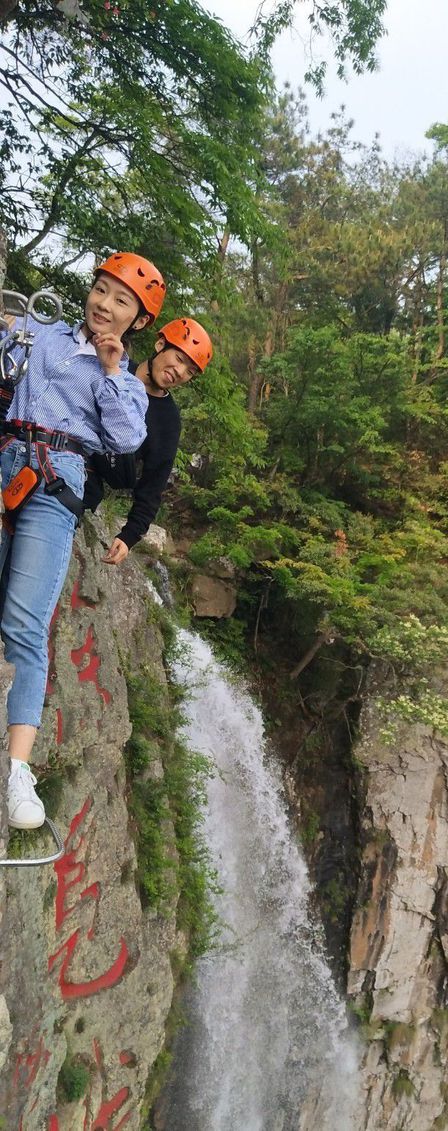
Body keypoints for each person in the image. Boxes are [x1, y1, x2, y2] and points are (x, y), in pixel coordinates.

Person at [2, 251, 166, 830]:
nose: (105, 304)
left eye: (122, 301)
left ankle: (16, 773)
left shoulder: (123, 382)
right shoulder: (41, 335)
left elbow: (125, 441)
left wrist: (115, 369)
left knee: (25, 624)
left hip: (53, 484)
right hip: (4, 461)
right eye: (102, 290)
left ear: (139, 321)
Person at [84, 317, 213, 564]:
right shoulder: (112, 363)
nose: (180, 372)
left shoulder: (168, 420)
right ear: (160, 345)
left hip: (86, 483)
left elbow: (154, 483)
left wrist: (130, 535)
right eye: (179, 359)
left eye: (190, 371)